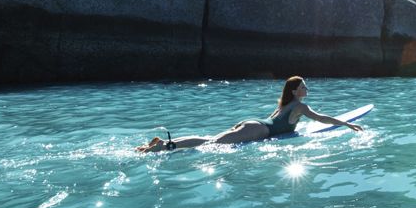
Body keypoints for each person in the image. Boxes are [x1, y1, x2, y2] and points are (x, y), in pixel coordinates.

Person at [136, 76, 363, 152]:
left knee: (209, 140)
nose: (307, 89)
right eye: (304, 86)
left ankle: (167, 144)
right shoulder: (299, 106)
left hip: (253, 123)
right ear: (295, 91)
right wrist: (346, 123)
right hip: (258, 129)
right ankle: (163, 147)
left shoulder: (285, 103)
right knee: (211, 145)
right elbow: (321, 118)